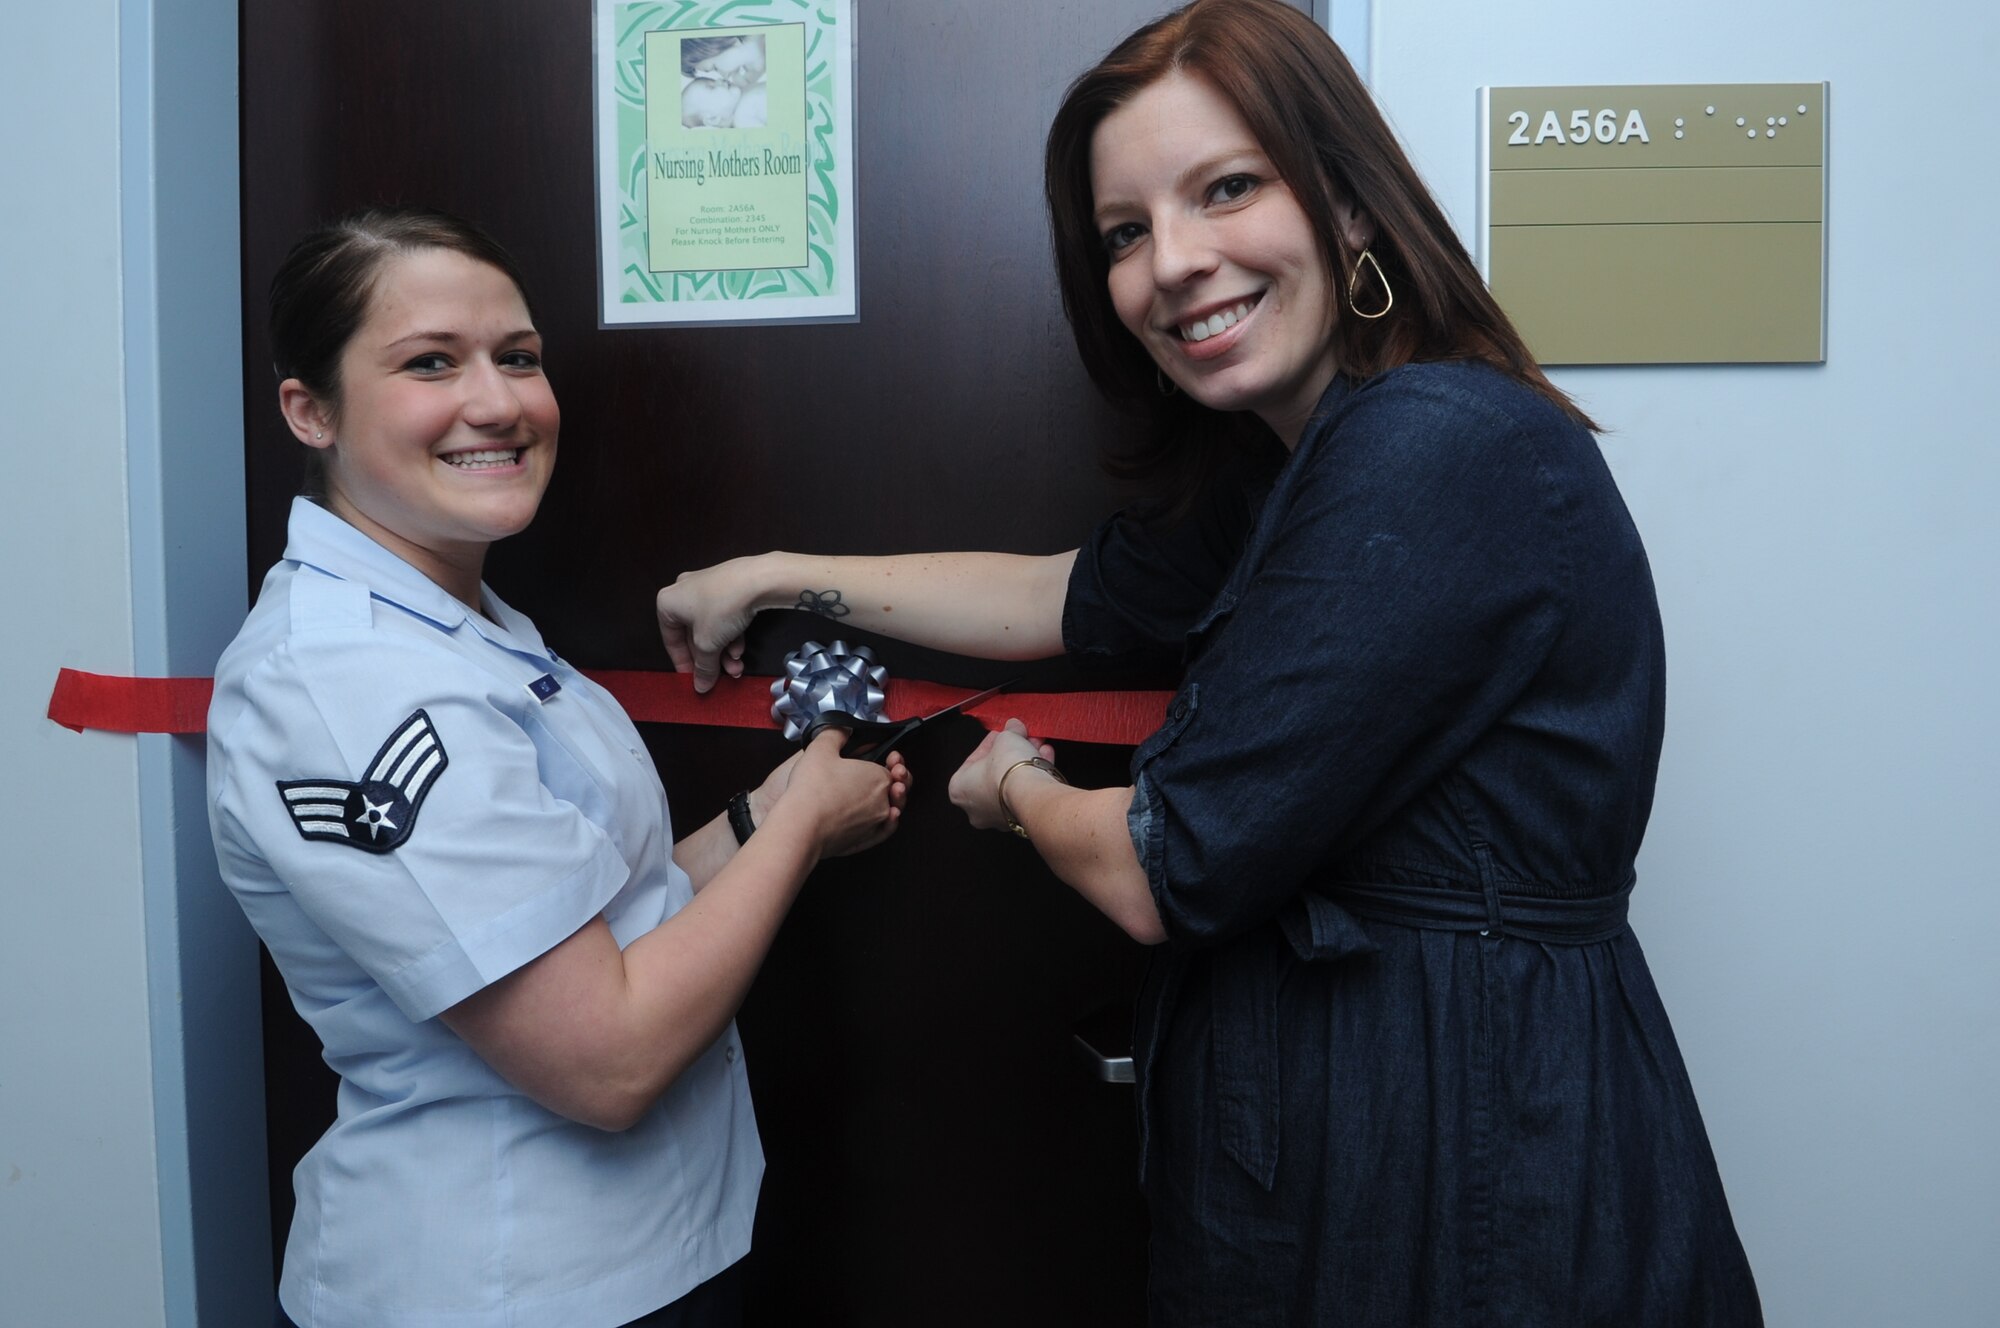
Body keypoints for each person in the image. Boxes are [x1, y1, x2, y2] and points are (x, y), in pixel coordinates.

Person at [653, 1, 1760, 1323]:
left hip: (1467, 1138)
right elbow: (1060, 595)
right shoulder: (1310, 467)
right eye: (1125, 233)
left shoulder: (1434, 445)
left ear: (1351, 204)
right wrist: (776, 573)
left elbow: (1159, 866)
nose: (1171, 264)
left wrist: (1015, 788)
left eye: (1226, 188)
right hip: (1395, 1116)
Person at [207, 206, 909, 1328]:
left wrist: (756, 817)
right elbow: (607, 1058)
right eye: (431, 362)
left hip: (638, 1253)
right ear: (312, 410)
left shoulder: (457, 617)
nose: (498, 401)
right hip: (500, 1282)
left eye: (519, 357)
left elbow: (600, 912)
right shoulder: (344, 682)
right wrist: (802, 828)